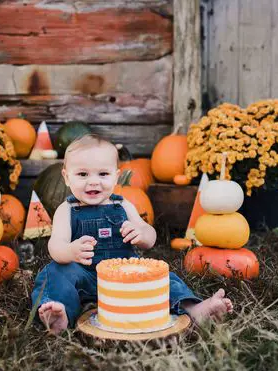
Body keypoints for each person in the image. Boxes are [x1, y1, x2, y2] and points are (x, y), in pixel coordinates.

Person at [31, 134, 233, 334]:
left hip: (127, 276)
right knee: (53, 272)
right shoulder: (66, 210)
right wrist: (70, 251)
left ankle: (194, 309)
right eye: (82, 175)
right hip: (84, 276)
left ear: (116, 176)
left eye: (103, 174)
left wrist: (141, 232)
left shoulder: (123, 205)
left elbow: (150, 237)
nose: (93, 182)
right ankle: (59, 313)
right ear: (66, 177)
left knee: (164, 279)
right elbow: (55, 246)